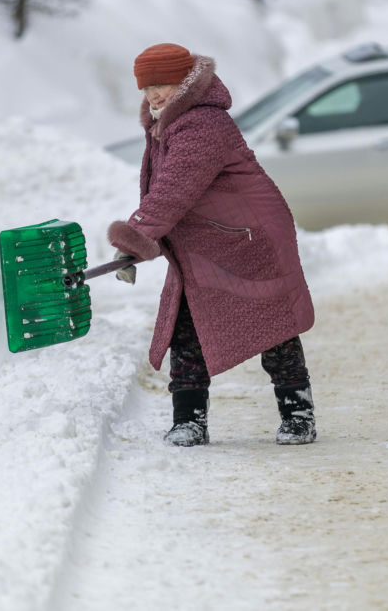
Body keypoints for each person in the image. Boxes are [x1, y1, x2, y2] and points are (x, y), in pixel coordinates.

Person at [107, 43, 316, 447]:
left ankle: (298, 415)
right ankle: (189, 420)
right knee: (186, 327)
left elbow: (173, 189)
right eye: (147, 87)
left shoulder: (202, 123)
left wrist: (137, 235)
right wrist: (143, 235)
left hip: (249, 238)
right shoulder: (166, 122)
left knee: (274, 327)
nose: (153, 95)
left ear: (185, 82)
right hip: (208, 241)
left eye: (162, 84)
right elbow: (166, 192)